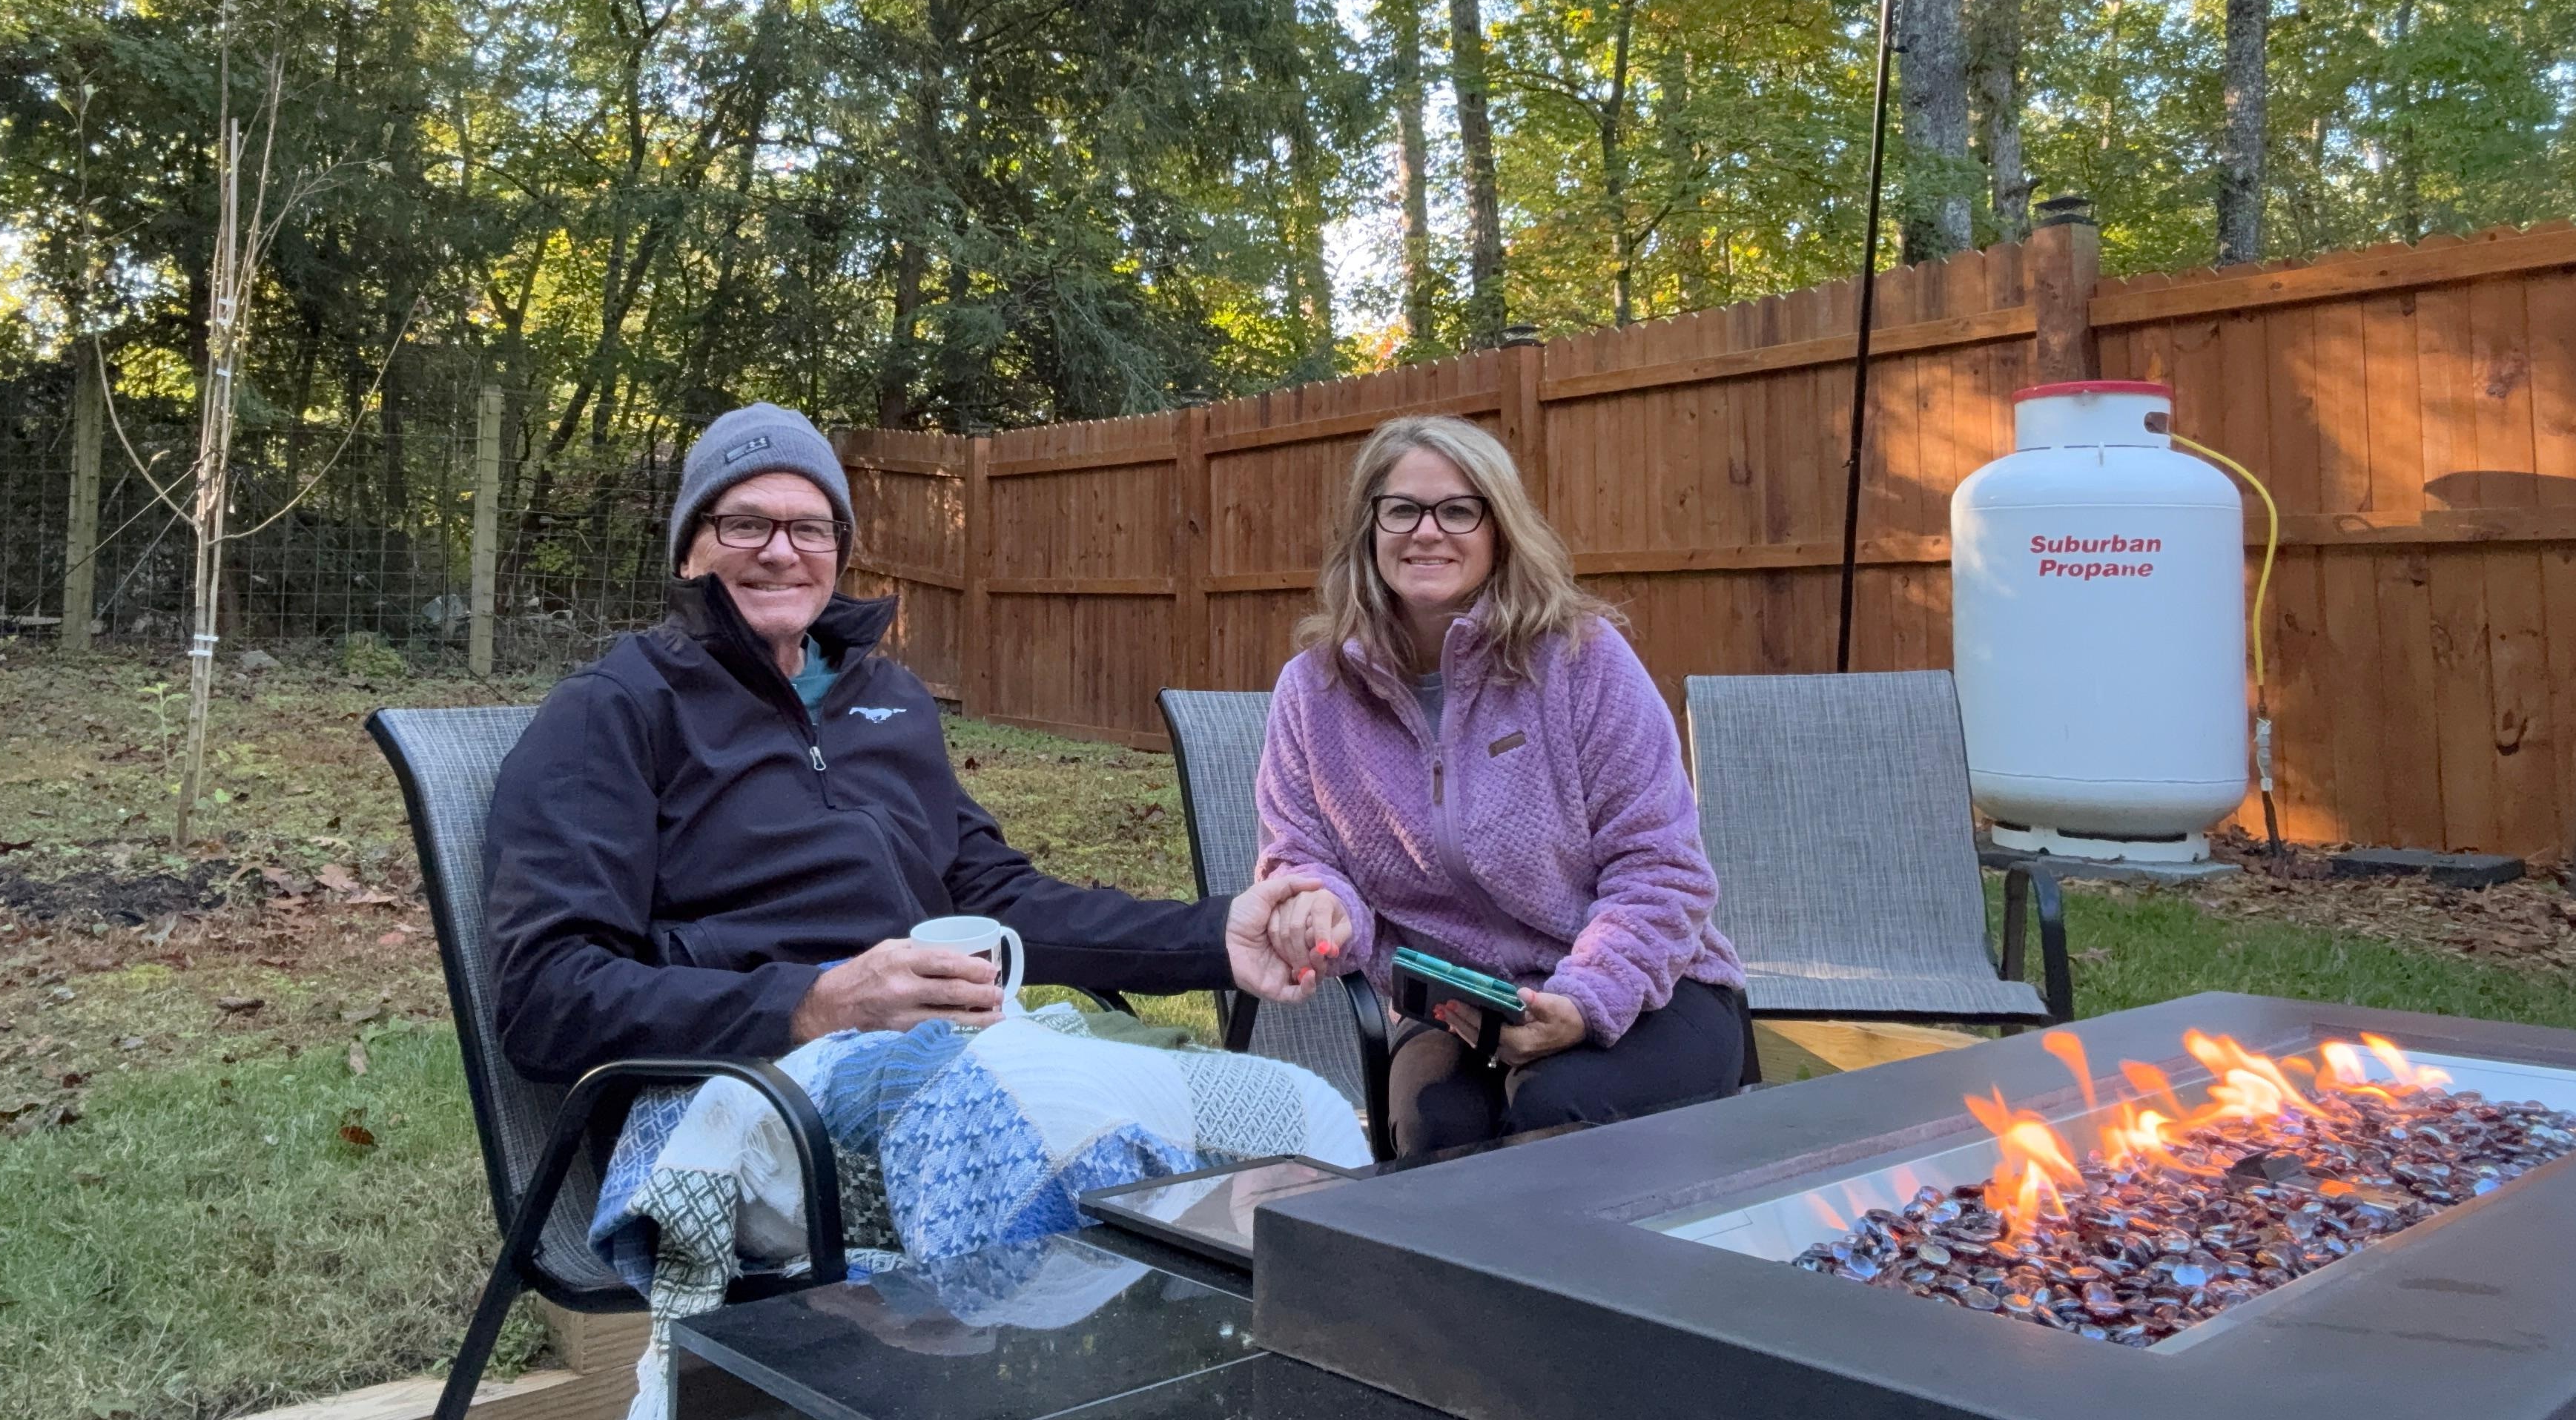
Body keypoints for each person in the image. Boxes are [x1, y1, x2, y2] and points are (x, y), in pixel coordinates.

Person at [486, 403, 1324, 1083]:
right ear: (688, 551)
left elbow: (998, 901)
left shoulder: (887, 699)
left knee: (1292, 1116)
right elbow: (546, 997)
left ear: (839, 554)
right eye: (745, 523)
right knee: (1062, 1147)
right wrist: (811, 1003)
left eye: (810, 529)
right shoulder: (614, 710)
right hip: (739, 1088)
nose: (781, 553)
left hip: (954, 1059)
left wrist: (1217, 936)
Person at [1253, 414, 1746, 1152]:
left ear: (1498, 530)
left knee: (1556, 1112)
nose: (1427, 532)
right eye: (1402, 509)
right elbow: (1303, 857)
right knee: (1438, 1127)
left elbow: (1661, 869)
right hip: (1460, 1010)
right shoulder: (1313, 692)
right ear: (1370, 528)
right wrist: (1318, 906)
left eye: (1458, 509)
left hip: (1647, 989)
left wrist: (1580, 1004)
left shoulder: (1581, 661)